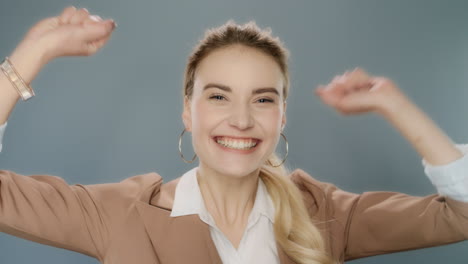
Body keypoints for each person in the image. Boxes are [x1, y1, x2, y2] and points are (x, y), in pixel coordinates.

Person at [0, 6, 467, 264]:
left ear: (282, 117)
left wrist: (394, 104)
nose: (242, 120)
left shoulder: (324, 215)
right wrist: (31, 55)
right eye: (219, 97)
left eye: (263, 99)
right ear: (188, 111)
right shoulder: (122, 214)